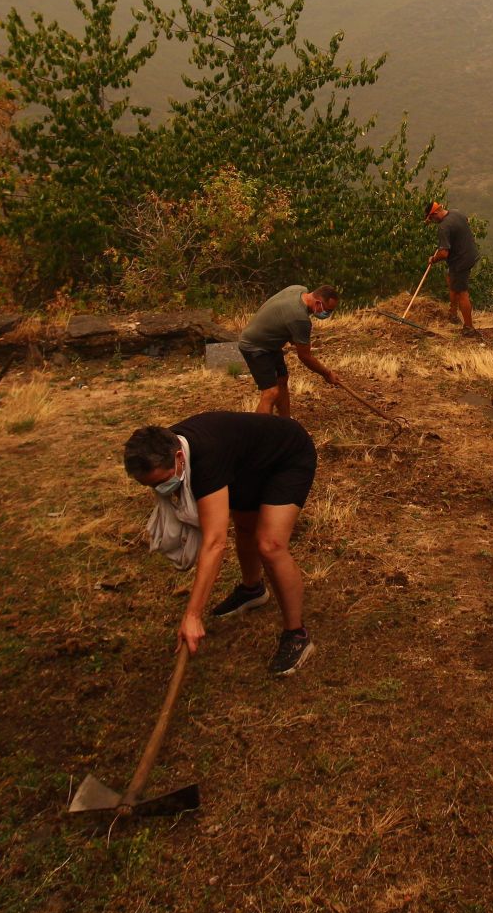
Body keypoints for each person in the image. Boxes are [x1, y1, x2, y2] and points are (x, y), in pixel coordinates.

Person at [123, 414, 318, 675]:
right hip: (246, 464)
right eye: (151, 486)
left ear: (180, 458)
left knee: (270, 544)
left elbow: (215, 543)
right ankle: (253, 590)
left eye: (162, 482)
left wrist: (193, 615)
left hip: (287, 456)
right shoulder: (161, 446)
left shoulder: (206, 458)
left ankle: (297, 634)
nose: (160, 490)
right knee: (245, 527)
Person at [237, 284, 340, 417]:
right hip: (254, 346)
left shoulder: (298, 289)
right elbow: (305, 357)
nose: (328, 314)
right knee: (271, 392)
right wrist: (327, 373)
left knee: (282, 380)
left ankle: (285, 423)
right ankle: (260, 432)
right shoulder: (300, 319)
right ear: (318, 303)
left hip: (271, 343)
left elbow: (285, 319)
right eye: (327, 310)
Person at [423, 200, 481, 336]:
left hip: (460, 261)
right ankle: (453, 313)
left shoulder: (443, 227)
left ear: (436, 213)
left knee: (462, 293)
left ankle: (469, 328)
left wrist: (433, 259)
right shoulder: (456, 212)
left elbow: (444, 253)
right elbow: (464, 224)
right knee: (450, 278)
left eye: (431, 218)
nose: (432, 221)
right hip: (470, 253)